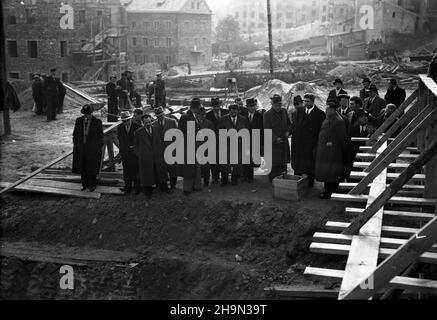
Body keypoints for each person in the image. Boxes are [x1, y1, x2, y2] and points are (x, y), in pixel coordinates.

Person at [291, 93, 326, 187]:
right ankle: (297, 181)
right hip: (300, 143)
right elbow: (296, 127)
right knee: (299, 165)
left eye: (308, 101)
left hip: (311, 144)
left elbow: (319, 131)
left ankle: (310, 183)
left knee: (310, 165)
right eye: (304, 101)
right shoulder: (300, 111)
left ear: (313, 101)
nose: (305, 103)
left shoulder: (320, 114)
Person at [315, 101, 348, 199]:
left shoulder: (338, 121)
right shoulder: (329, 118)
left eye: (327, 109)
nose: (326, 111)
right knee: (327, 172)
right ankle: (328, 191)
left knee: (332, 173)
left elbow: (342, 138)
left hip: (333, 153)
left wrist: (335, 146)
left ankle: (330, 193)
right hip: (325, 152)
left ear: (333, 110)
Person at [134, 114, 169, 198]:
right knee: (147, 174)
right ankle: (148, 191)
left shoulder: (157, 129)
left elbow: (162, 140)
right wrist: (139, 154)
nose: (148, 124)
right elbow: (136, 145)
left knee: (161, 172)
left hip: (158, 155)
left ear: (151, 121)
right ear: (143, 123)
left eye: (149, 122)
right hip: (146, 157)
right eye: (146, 122)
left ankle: (164, 187)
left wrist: (162, 151)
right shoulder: (138, 132)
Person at [72, 105, 104, 192]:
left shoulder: (97, 122)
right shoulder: (79, 121)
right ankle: (84, 184)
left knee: (92, 167)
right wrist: (77, 145)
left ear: (91, 113)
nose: (87, 116)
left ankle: (92, 185)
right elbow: (75, 134)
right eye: (85, 114)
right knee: (82, 166)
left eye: (88, 114)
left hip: (93, 149)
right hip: (82, 148)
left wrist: (97, 147)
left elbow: (101, 136)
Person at [218, 103, 249, 186]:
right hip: (226, 145)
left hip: (239, 145)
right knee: (225, 163)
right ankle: (224, 180)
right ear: (229, 111)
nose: (233, 113)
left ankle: (234, 180)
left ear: (238, 111)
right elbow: (219, 133)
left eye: (235, 111)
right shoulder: (222, 119)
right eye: (232, 111)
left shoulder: (244, 120)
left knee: (237, 164)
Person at [264, 94, 292, 183]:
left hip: (283, 141)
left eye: (280, 105)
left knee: (282, 162)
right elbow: (267, 129)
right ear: (272, 104)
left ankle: (282, 179)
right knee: (273, 163)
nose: (278, 107)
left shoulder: (284, 111)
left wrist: (288, 131)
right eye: (276, 105)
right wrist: (275, 138)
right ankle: (273, 180)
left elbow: (289, 123)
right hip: (273, 143)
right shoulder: (267, 114)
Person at [179, 98, 202, 196]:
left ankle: (193, 186)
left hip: (193, 145)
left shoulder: (193, 116)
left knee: (194, 167)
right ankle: (187, 188)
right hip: (188, 146)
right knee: (189, 168)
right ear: (196, 107)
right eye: (199, 106)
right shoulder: (185, 117)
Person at [153, 106, 178, 190]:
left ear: (164, 114)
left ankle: (173, 184)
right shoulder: (154, 124)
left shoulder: (172, 122)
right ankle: (164, 185)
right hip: (160, 150)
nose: (160, 117)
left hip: (171, 148)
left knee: (173, 168)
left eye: (161, 115)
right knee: (162, 168)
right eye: (158, 116)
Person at [116, 111, 141, 195]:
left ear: (130, 119)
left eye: (126, 120)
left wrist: (135, 148)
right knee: (126, 171)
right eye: (123, 121)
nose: (125, 122)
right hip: (125, 153)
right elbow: (120, 140)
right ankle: (128, 187)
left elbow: (140, 141)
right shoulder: (120, 127)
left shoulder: (138, 127)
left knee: (136, 170)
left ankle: (137, 187)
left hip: (134, 154)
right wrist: (121, 151)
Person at [206, 97, 229, 184]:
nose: (216, 107)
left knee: (224, 160)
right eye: (215, 106)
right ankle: (215, 178)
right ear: (212, 106)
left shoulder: (226, 112)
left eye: (218, 105)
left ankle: (224, 178)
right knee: (214, 160)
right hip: (213, 141)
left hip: (224, 140)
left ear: (220, 105)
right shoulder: (208, 115)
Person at [240, 98, 264, 182]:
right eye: (250, 106)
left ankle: (250, 177)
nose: (252, 108)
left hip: (255, 140)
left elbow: (262, 130)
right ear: (247, 107)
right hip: (244, 140)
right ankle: (244, 175)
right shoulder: (242, 115)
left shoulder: (259, 116)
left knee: (251, 159)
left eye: (253, 106)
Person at [345, 109, 369, 182]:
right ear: (358, 118)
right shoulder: (352, 128)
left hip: (365, 158)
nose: (364, 118)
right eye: (362, 116)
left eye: (366, 116)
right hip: (353, 158)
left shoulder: (370, 129)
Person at [197, 106, 215, 187]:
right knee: (197, 167)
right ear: (198, 115)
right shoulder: (194, 122)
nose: (203, 116)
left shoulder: (209, 123)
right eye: (201, 114)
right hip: (196, 147)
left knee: (206, 167)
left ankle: (206, 181)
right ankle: (197, 182)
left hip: (207, 148)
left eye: (204, 114)